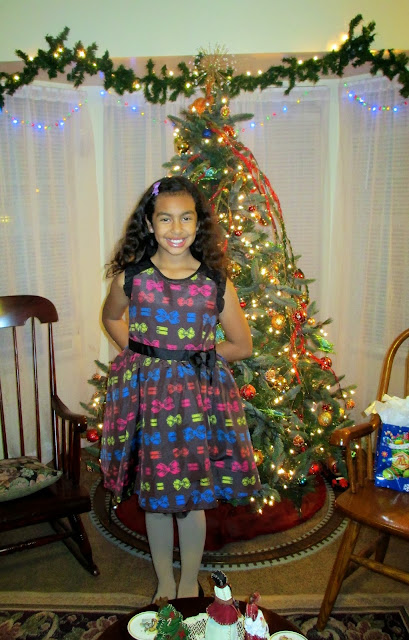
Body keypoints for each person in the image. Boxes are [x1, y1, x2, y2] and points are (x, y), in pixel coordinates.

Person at [100, 176, 261, 602]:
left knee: (190, 496)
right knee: (157, 495)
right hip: (149, 402)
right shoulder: (131, 278)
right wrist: (140, 354)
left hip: (196, 404)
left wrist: (199, 358)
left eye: (186, 218)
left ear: (198, 223)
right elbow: (112, 318)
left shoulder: (215, 283)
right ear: (149, 224)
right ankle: (164, 579)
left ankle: (189, 579)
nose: (176, 229)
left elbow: (242, 344)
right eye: (165, 218)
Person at [205, 570, 241, 640]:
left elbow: (228, 601)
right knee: (218, 625)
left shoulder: (225, 588)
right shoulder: (223, 587)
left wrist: (218, 599)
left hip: (226, 610)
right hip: (221, 608)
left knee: (225, 628)